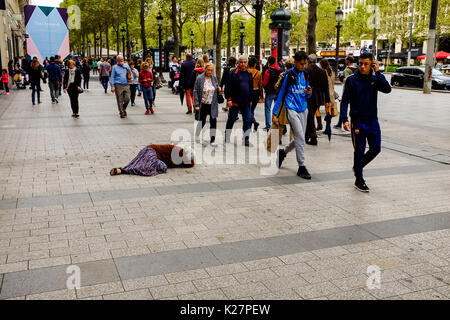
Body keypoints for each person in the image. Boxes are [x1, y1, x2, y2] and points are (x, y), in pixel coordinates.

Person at [339, 52, 392, 192]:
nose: (362, 66)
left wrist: (378, 72)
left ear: (372, 64)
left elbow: (387, 89)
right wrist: (344, 119)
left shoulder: (375, 79)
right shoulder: (351, 80)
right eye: (361, 63)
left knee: (376, 148)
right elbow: (344, 101)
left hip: (372, 120)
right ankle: (359, 179)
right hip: (358, 122)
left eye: (366, 64)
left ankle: (358, 166)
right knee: (359, 150)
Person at [273, 51, 312, 180]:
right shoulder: (288, 76)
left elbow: (307, 94)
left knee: (300, 137)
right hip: (291, 109)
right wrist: (275, 113)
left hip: (303, 108)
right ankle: (302, 166)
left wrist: (309, 92)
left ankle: (283, 152)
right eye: (301, 64)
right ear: (295, 62)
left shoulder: (306, 74)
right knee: (300, 136)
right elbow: (281, 94)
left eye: (305, 64)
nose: (303, 66)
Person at [110, 144, 194, 176]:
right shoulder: (180, 151)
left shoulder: (175, 148)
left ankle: (122, 170)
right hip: (152, 153)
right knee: (150, 167)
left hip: (147, 149)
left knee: (136, 163)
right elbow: (189, 164)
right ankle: (123, 171)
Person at [224, 55, 253, 147]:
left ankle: (246, 139)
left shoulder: (249, 73)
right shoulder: (233, 73)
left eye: (245, 62)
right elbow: (228, 87)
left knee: (247, 120)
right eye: (241, 62)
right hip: (235, 101)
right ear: (238, 63)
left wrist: (251, 99)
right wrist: (228, 99)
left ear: (247, 63)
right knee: (232, 119)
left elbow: (251, 87)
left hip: (246, 102)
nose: (243, 64)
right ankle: (227, 135)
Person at [305, 54, 331, 146]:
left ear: (308, 61)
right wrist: (327, 100)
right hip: (318, 98)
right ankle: (308, 135)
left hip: (309, 95)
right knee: (310, 115)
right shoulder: (322, 72)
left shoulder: (306, 71)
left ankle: (312, 136)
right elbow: (326, 87)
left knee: (310, 116)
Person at [193, 62, 220, 146]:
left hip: (213, 103)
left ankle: (212, 139)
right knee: (202, 121)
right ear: (205, 69)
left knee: (213, 121)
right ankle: (197, 135)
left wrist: (218, 89)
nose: (210, 72)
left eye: (211, 70)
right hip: (203, 103)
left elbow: (216, 87)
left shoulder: (214, 78)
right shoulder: (200, 78)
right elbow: (195, 91)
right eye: (208, 70)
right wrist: (197, 104)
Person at [334, 56, 355, 129]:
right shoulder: (356, 68)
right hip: (354, 91)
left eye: (346, 60)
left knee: (343, 106)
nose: (345, 61)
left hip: (347, 90)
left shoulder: (347, 70)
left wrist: (341, 78)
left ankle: (341, 123)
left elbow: (346, 80)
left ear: (348, 61)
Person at [262, 56, 282, 131]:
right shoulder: (280, 69)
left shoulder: (268, 70)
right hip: (278, 92)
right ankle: (277, 124)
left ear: (269, 62)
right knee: (277, 109)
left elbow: (265, 82)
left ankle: (268, 126)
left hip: (270, 91)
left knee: (267, 108)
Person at [317, 58, 336, 131]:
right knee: (328, 111)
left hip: (325, 93)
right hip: (331, 93)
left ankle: (321, 125)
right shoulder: (332, 72)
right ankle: (328, 127)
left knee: (318, 108)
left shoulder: (323, 72)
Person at [248, 57, 263, 131]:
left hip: (248, 92)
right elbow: (260, 85)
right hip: (256, 92)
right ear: (255, 64)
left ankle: (253, 122)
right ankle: (252, 123)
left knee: (248, 110)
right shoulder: (259, 73)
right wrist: (261, 96)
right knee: (252, 109)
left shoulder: (246, 72)